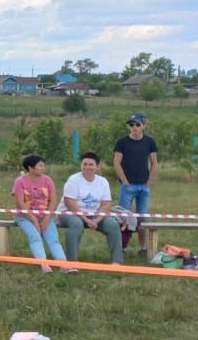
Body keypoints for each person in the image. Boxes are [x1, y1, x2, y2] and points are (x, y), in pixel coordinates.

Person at [58, 152, 123, 264]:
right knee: (76, 224)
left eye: (91, 164)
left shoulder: (103, 182)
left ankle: (117, 261)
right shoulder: (73, 180)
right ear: (81, 165)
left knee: (112, 224)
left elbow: (106, 204)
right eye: (85, 164)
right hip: (69, 212)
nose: (87, 167)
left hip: (94, 214)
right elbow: (70, 203)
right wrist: (86, 220)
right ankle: (71, 261)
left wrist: (96, 220)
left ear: (97, 166)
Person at [12, 154, 73, 273]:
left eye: (43, 165)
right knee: (35, 237)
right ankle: (43, 264)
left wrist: (46, 218)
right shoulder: (19, 181)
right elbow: (20, 202)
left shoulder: (48, 180)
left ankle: (63, 264)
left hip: (46, 216)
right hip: (25, 217)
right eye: (40, 165)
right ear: (30, 168)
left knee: (53, 239)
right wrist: (34, 220)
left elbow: (53, 199)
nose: (43, 168)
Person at [113, 113, 158, 256]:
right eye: (131, 125)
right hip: (128, 186)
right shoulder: (121, 142)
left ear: (144, 125)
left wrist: (149, 181)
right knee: (123, 218)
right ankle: (122, 247)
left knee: (142, 218)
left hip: (143, 186)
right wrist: (125, 182)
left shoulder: (150, 142)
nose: (134, 127)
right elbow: (117, 162)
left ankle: (142, 247)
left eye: (138, 124)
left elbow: (154, 162)